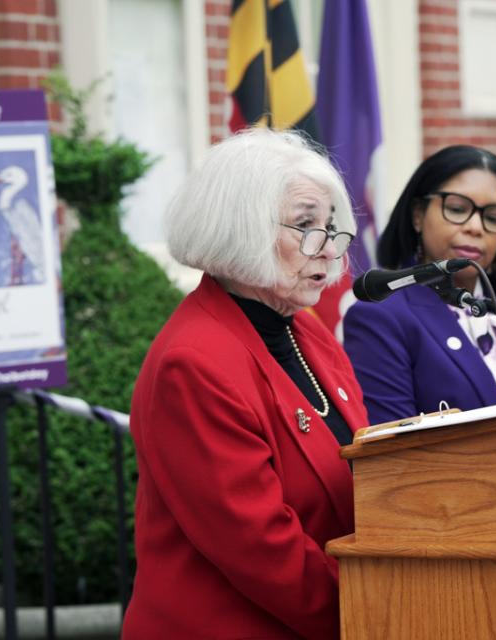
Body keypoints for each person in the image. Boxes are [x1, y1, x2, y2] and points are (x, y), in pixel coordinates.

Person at [123, 128, 368, 639]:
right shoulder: (193, 364)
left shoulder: (306, 329)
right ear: (241, 228)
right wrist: (374, 612)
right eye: (306, 225)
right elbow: (261, 549)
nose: (327, 249)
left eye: (331, 226)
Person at [343, 145, 496, 425]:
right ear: (418, 215)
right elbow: (393, 457)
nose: (476, 226)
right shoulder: (380, 317)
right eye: (458, 209)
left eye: (494, 218)